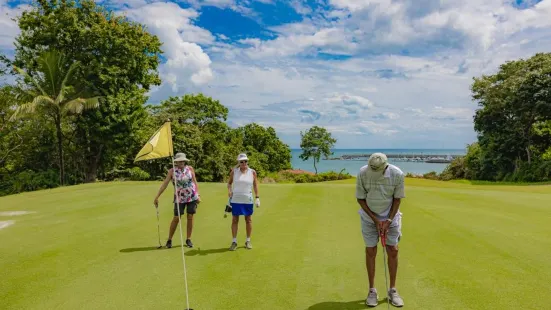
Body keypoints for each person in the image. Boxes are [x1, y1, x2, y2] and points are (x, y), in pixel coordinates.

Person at [355, 152, 405, 308]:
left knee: (393, 249)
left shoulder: (397, 174)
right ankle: (372, 290)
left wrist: (388, 220)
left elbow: (397, 199)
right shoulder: (363, 173)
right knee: (370, 250)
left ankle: (393, 290)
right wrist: (376, 220)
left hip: (391, 216)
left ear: (385, 167)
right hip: (368, 217)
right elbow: (360, 199)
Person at [154, 152, 201, 249]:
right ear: (176, 162)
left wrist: (198, 195)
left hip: (191, 196)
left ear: (184, 161)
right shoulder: (172, 171)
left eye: (182, 160)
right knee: (176, 218)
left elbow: (195, 182)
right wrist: (157, 196)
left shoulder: (190, 169)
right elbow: (165, 184)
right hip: (179, 198)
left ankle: (188, 239)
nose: (181, 162)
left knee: (190, 216)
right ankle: (169, 239)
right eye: (179, 161)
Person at [227, 153, 260, 251]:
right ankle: (234, 241)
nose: (244, 163)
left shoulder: (252, 172)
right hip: (236, 198)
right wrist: (229, 191)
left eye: (245, 161)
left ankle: (248, 240)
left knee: (248, 219)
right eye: (242, 161)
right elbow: (229, 184)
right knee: (235, 220)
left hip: (247, 199)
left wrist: (257, 197)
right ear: (239, 162)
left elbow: (255, 185)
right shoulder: (234, 172)